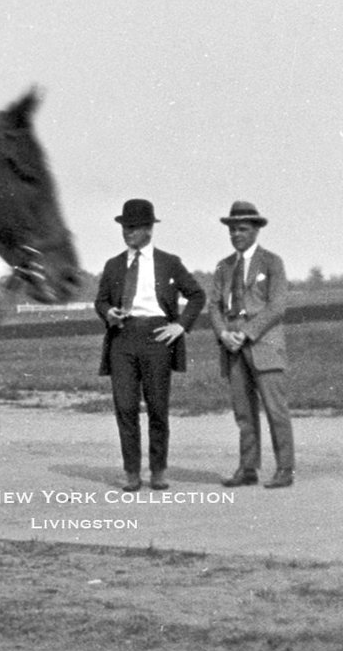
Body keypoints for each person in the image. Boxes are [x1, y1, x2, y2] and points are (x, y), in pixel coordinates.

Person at [94, 199, 205, 492]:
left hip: (157, 338)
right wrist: (109, 313)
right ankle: (132, 472)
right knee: (125, 407)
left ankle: (158, 471)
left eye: (133, 228)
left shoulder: (169, 262)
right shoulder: (114, 265)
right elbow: (100, 300)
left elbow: (196, 295)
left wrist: (180, 325)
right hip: (123, 339)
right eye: (124, 227)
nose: (127, 233)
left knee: (157, 407)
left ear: (148, 230)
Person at [207, 201, 294, 488]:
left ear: (256, 230)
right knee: (243, 413)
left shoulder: (272, 262)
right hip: (232, 348)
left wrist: (247, 332)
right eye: (232, 230)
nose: (236, 235)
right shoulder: (224, 266)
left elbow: (277, 306)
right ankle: (248, 468)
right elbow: (215, 306)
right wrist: (223, 334)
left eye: (242, 229)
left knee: (275, 410)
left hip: (264, 345)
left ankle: (284, 468)